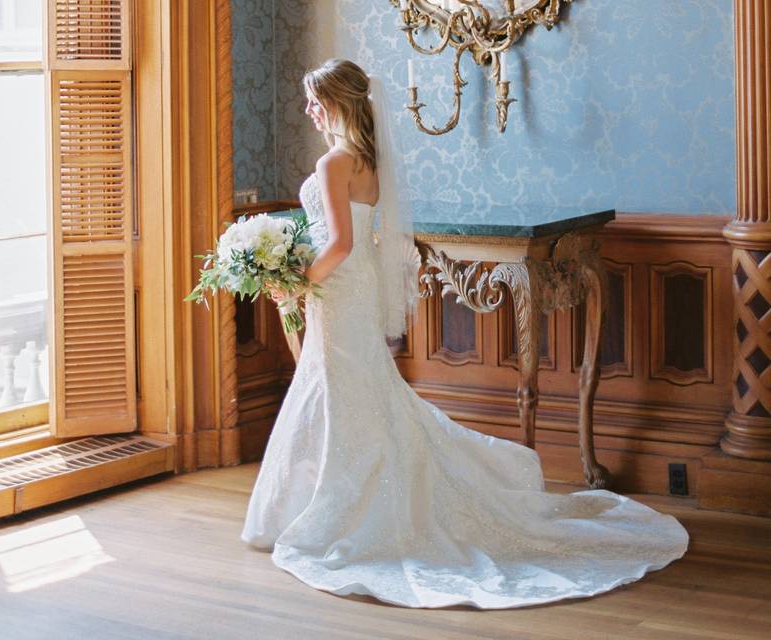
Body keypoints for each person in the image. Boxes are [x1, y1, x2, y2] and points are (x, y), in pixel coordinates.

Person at [240, 58, 688, 609]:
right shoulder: (371, 165)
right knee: (356, 391)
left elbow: (338, 245)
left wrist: (294, 285)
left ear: (338, 103)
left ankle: (333, 509)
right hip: (347, 293)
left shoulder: (334, 161)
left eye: (315, 100)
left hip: (336, 288)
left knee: (342, 388)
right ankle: (330, 499)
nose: (308, 110)